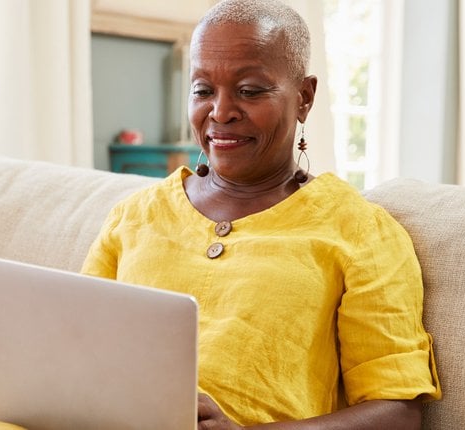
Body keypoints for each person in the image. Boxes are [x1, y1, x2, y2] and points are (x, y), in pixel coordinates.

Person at [80, 0, 441, 428]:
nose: (221, 112)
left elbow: (398, 412)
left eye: (250, 91)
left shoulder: (360, 231)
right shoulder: (136, 214)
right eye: (202, 90)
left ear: (304, 97)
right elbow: (74, 343)